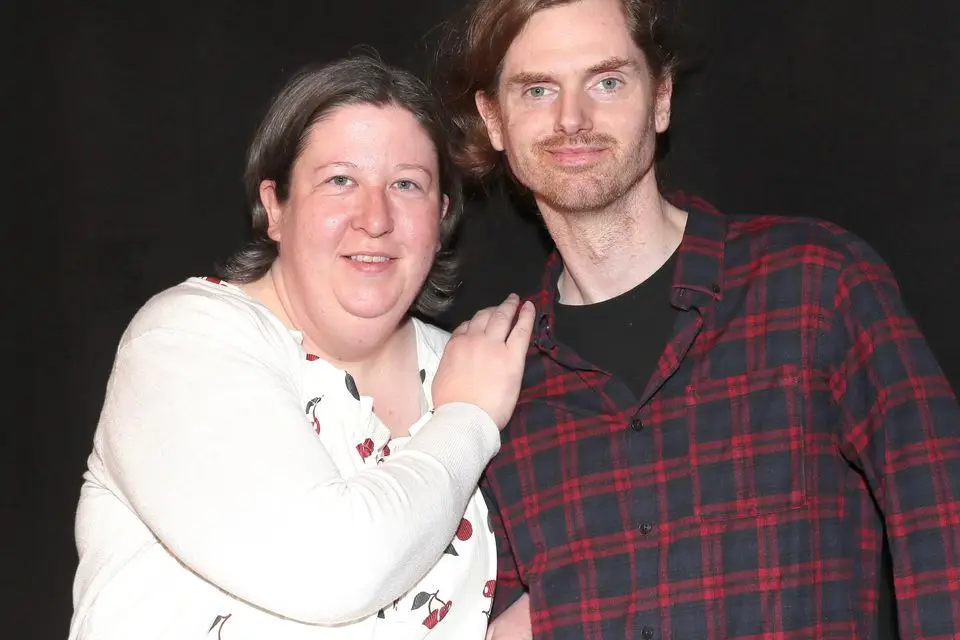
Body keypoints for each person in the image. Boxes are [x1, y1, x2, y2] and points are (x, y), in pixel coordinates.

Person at [438, 0, 960, 638]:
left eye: (607, 81)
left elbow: (943, 516)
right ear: (494, 119)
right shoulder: (498, 383)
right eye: (539, 88)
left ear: (660, 99)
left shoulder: (817, 285)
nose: (571, 118)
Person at [67, 54, 535, 640]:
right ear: (276, 207)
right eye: (340, 180)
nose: (375, 218)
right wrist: (465, 419)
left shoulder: (476, 364)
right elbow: (336, 568)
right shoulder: (185, 340)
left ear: (441, 217)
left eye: (407, 185)